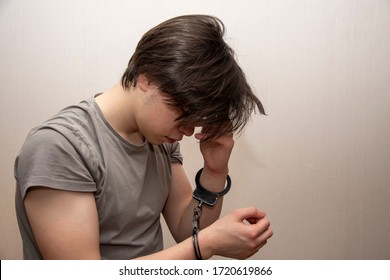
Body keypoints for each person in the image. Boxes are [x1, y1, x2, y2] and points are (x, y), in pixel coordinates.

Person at [14, 14, 273, 260]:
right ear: (146, 79)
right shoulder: (60, 146)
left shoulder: (159, 139)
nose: (187, 132)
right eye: (183, 113)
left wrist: (215, 172)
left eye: (195, 121)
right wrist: (207, 244)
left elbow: (187, 230)